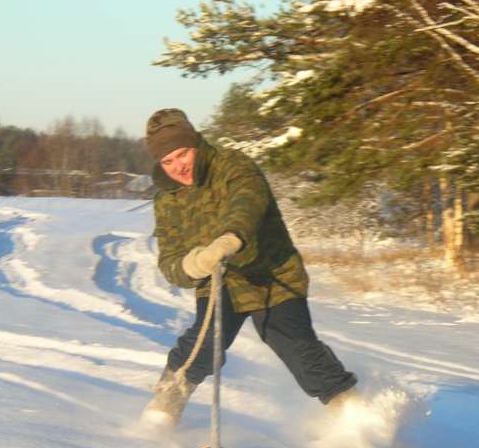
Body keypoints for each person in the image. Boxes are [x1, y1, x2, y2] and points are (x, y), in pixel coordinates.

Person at [139, 108, 358, 429]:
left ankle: (353, 415)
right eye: (167, 162)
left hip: (272, 273)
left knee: (295, 346)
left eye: (182, 154)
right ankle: (163, 412)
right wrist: (193, 263)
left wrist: (230, 238)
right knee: (201, 345)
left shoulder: (232, 165)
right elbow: (170, 259)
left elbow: (247, 199)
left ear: (195, 144)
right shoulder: (167, 199)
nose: (178, 167)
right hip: (219, 282)